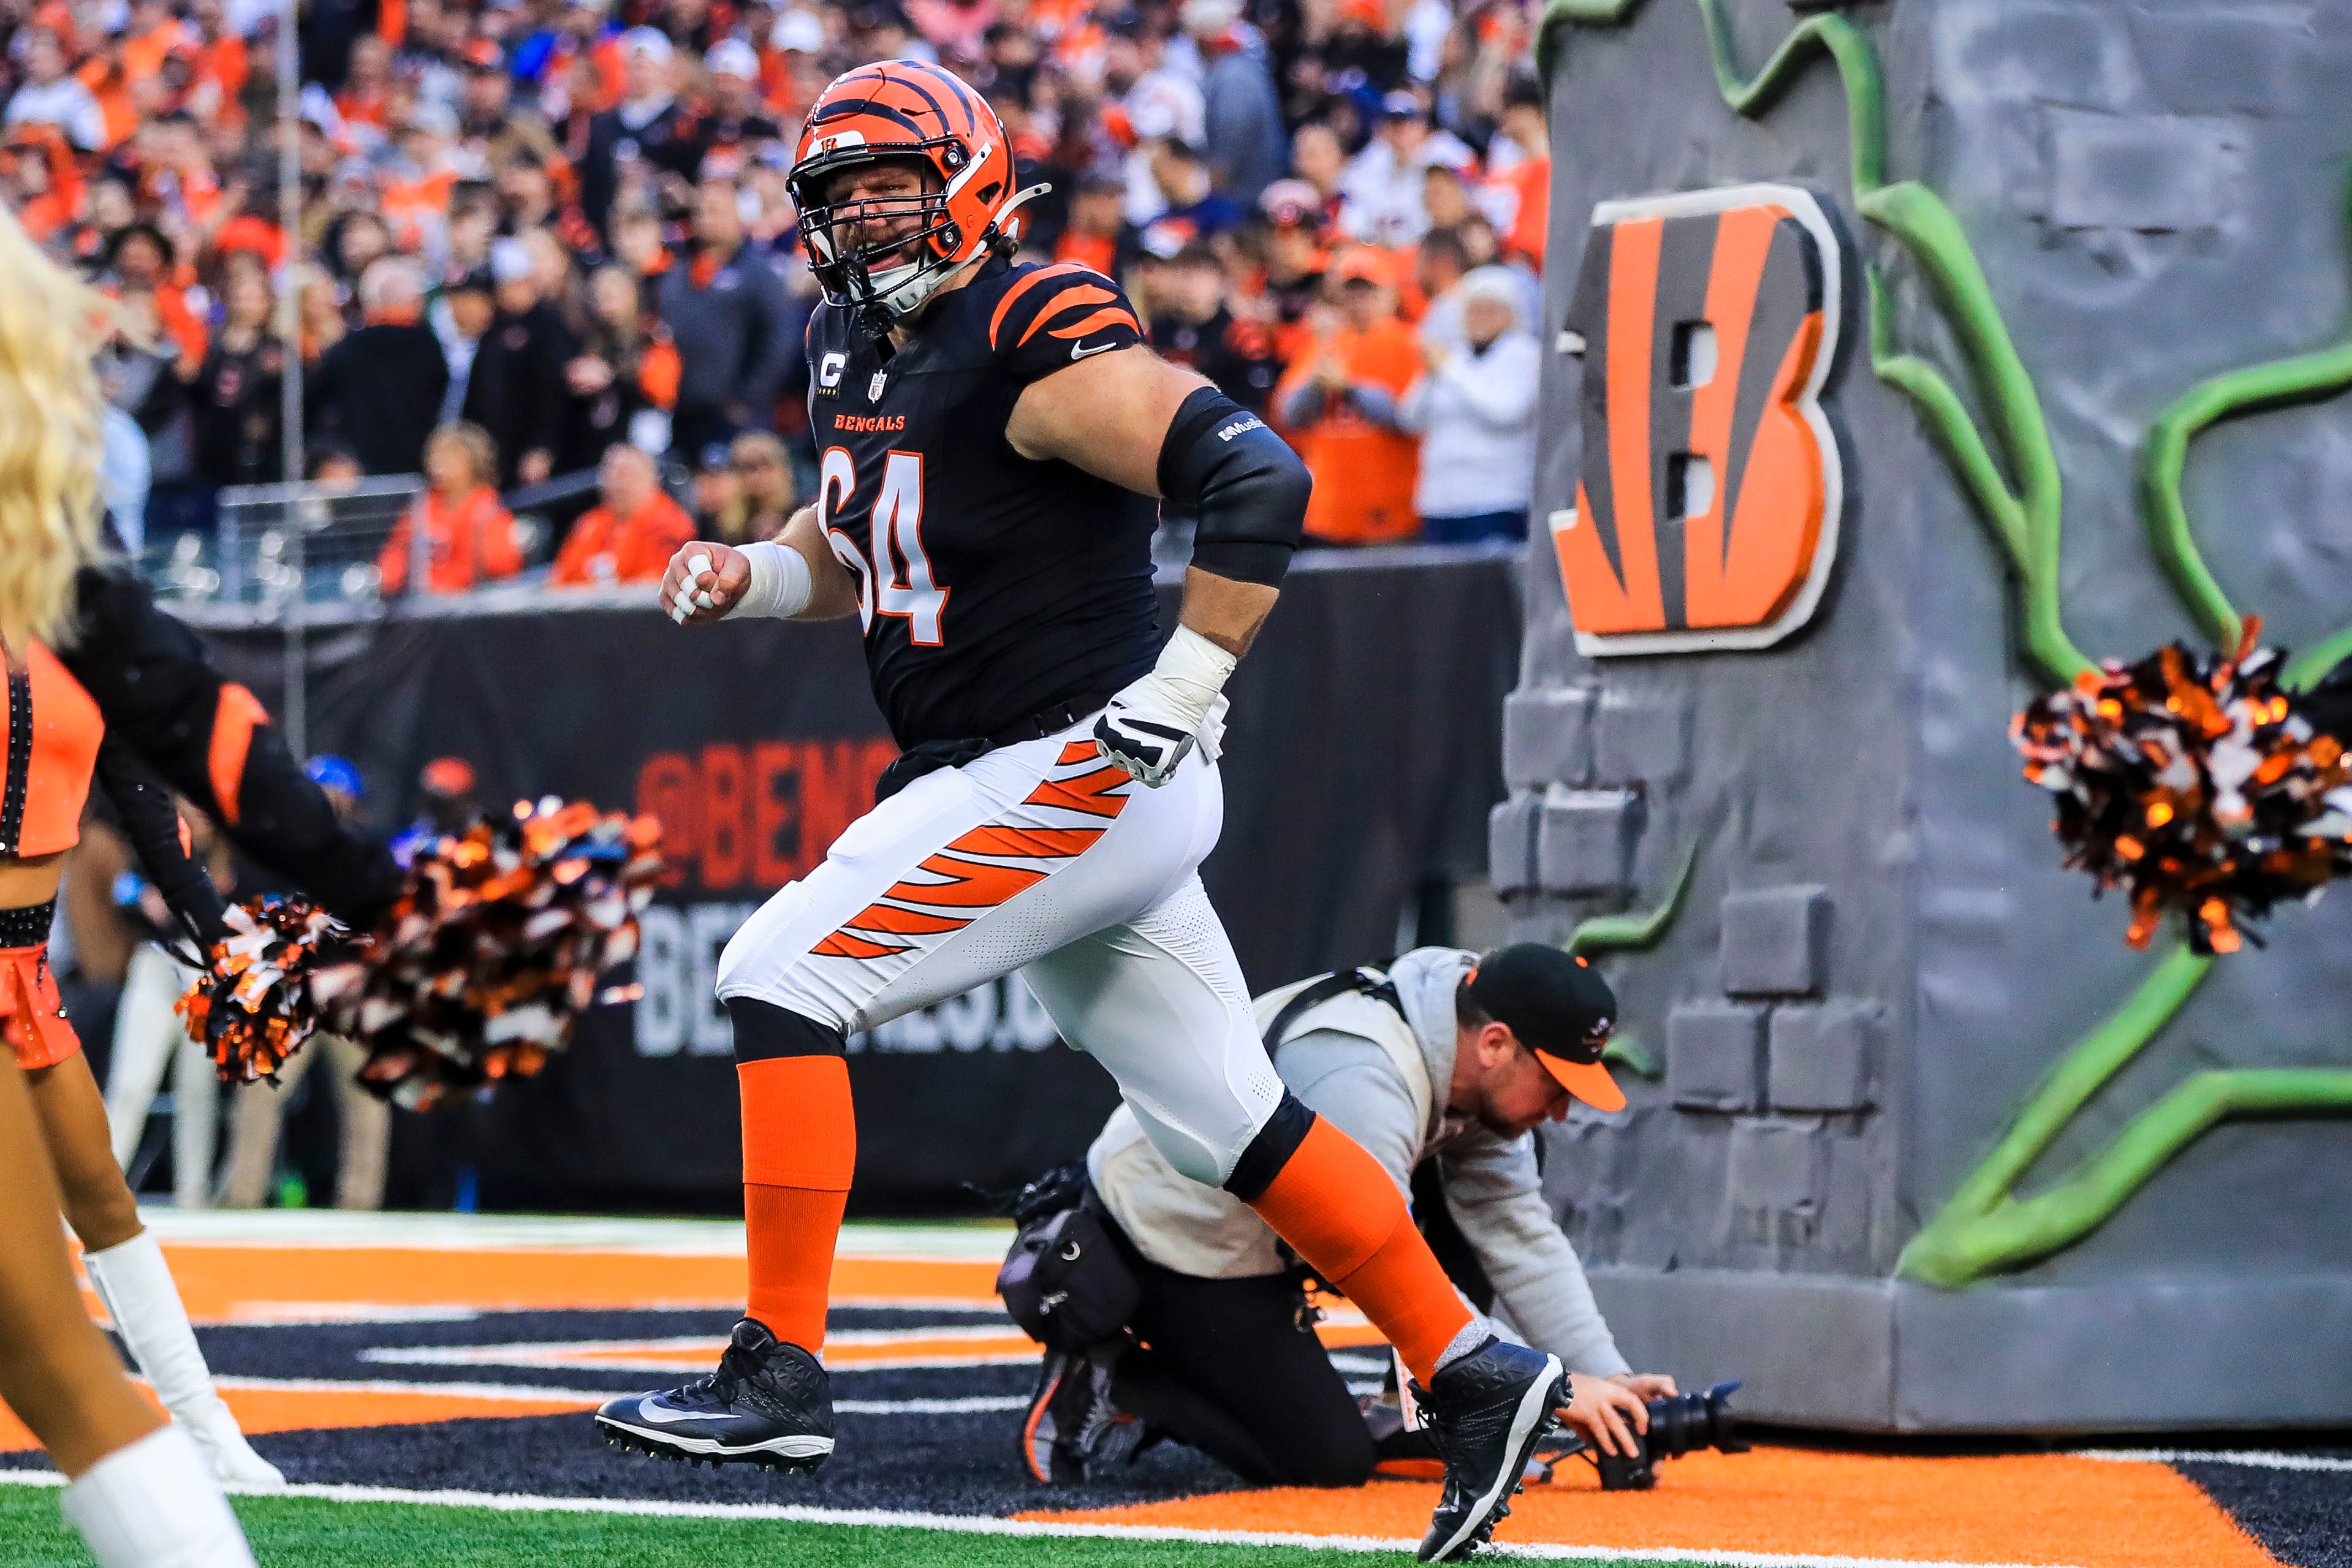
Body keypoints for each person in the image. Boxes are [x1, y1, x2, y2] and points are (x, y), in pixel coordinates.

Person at [599, 61, 1567, 1566]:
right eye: (841, 197)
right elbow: (871, 540)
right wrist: (759, 573)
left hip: (1078, 761)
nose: (866, 220)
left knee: (779, 971)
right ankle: (1477, 1368)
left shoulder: (1030, 328)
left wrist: (1178, 689)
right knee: (1227, 1120)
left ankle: (778, 1368)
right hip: (1040, 769)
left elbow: (1259, 476)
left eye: (894, 187)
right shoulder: (856, 340)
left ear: (974, 176)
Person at [0, 206, 404, 1561]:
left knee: (97, 1224)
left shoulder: (51, 573)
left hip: (23, 966)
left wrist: (367, 907)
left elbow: (171, 742)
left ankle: (209, 1423)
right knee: (52, 1356)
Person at [1023, 945, 1673, 1487]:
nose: (1562, 1110)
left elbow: (1517, 1231)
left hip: (1274, 1227)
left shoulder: (1466, 1043)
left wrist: (1607, 1376)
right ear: (1495, 1045)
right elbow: (1370, 1261)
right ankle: (1114, 1377)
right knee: (1323, 1461)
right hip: (1173, 1233)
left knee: (1480, 1201)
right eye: (1558, 1085)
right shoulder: (1362, 1072)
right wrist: (1551, 1386)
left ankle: (1418, 1413)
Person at [219, 757, 393, 1212]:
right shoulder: (278, 848)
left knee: (366, 1098)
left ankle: (362, 1201)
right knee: (258, 1087)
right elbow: (253, 908)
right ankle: (243, 1193)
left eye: (337, 794)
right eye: (320, 793)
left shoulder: (366, 852)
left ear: (352, 801)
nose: (329, 802)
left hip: (349, 985)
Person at [1273, 248, 1422, 547]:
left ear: (1392, 293)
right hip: (1327, 510)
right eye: (1352, 292)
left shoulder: (1409, 343)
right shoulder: (1323, 343)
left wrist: (1348, 388)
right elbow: (1288, 415)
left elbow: (1407, 418)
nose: (1360, 300)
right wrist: (1317, 385)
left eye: (1369, 291)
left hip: (1389, 507)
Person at [656, 175, 797, 458]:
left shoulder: (759, 274)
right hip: (681, 415)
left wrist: (748, 398)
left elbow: (781, 339)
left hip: (736, 418)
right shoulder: (679, 271)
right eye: (700, 211)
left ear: (738, 216)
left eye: (715, 210)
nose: (705, 219)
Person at [1400, 268, 1539, 543]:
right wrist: (1431, 377)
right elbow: (1409, 419)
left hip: (1496, 499)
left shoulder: (1525, 354)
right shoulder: (1454, 356)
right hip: (1440, 501)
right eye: (1473, 310)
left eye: (1490, 309)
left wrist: (1449, 370)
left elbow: (1506, 412)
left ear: (1512, 313)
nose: (1479, 318)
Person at [311, 256, 451, 477]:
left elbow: (317, 405)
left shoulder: (346, 351)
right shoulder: (431, 348)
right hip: (419, 472)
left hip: (359, 475)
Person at [461, 238, 576, 489]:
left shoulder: (547, 326)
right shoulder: (493, 329)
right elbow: (477, 391)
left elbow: (553, 392)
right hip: (496, 452)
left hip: (530, 453)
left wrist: (543, 446)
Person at [377, 423, 523, 596]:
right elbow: (395, 553)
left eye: (448, 457)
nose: (437, 465)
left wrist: (443, 585)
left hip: (468, 606)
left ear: (471, 462)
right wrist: (392, 580)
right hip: (417, 604)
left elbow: (501, 564)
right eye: (435, 456)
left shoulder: (486, 508)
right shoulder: (422, 505)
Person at [550, 441, 695, 586]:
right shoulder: (590, 523)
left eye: (624, 475)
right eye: (609, 475)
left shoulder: (669, 523)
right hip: (586, 607)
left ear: (650, 479)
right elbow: (559, 581)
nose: (615, 485)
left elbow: (658, 583)